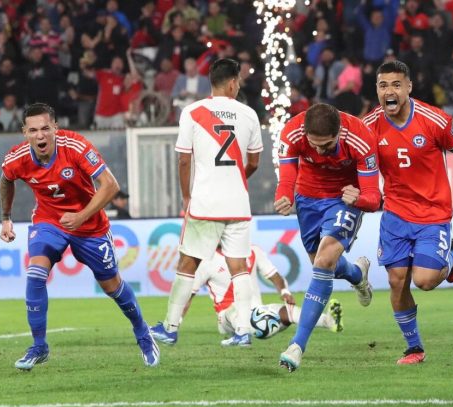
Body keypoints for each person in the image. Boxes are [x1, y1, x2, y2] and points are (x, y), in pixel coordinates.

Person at [0, 103, 159, 370]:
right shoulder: (17, 158)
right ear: (24, 132)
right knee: (35, 273)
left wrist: (81, 216)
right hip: (50, 221)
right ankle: (39, 346)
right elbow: (6, 179)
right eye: (33, 130)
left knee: (112, 286)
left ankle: (142, 332)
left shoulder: (75, 146)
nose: (40, 135)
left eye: (45, 128)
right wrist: (6, 217)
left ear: (55, 128)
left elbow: (111, 185)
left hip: (90, 225)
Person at [363, 60, 453, 365]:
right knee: (397, 280)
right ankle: (414, 347)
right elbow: (354, 160)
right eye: (383, 85)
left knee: (425, 281)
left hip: (433, 214)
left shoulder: (434, 120)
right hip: (395, 213)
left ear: (409, 87)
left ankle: (451, 254)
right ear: (376, 90)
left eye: (396, 85)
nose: (389, 91)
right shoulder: (369, 126)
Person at [149, 58, 263, 347]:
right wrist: (237, 178)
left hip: (206, 202)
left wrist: (186, 195)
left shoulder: (192, 112)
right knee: (239, 267)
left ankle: (170, 327)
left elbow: (183, 159)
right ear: (233, 83)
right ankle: (243, 331)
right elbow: (254, 162)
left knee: (187, 264)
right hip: (238, 203)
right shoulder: (249, 114)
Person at [274, 103, 381, 372]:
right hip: (308, 198)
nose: (320, 151)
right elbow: (286, 179)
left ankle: (297, 346)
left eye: (327, 145)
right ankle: (357, 274)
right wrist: (284, 197)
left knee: (323, 262)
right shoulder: (291, 132)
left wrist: (360, 198)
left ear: (340, 132)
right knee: (322, 264)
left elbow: (374, 196)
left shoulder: (361, 137)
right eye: (315, 145)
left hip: (344, 199)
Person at [181, 245, 344, 345]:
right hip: (225, 318)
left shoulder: (252, 251)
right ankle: (242, 334)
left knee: (286, 311)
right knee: (234, 310)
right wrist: (176, 322)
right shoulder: (206, 262)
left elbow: (275, 276)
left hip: (257, 312)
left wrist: (284, 292)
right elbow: (189, 295)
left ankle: (328, 321)